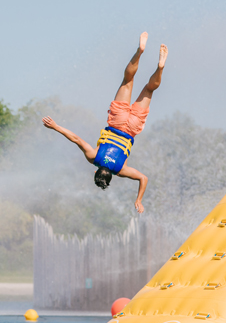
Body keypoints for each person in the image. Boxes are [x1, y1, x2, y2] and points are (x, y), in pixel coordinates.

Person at [42, 32, 168, 213]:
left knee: (149, 90)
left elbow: (143, 178)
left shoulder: (121, 169)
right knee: (128, 80)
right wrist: (55, 127)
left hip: (131, 127)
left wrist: (139, 200)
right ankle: (140, 51)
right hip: (117, 121)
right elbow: (76, 139)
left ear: (111, 177)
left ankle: (160, 67)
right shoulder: (93, 156)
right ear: (96, 172)